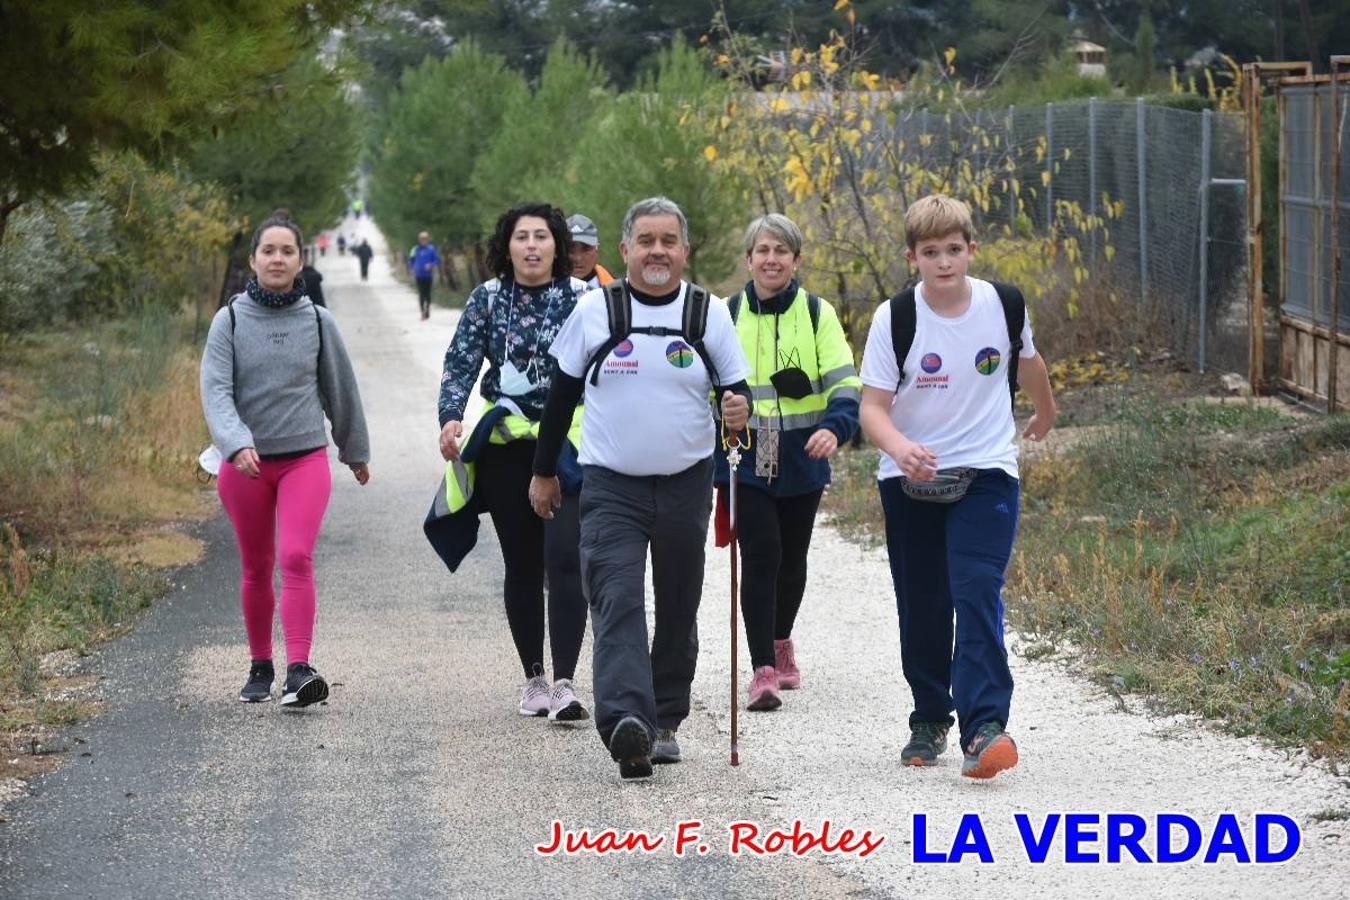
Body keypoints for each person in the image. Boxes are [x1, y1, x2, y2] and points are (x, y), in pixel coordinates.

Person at [530, 196, 752, 781]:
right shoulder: (596, 312)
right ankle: (629, 723)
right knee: (617, 599)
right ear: (625, 250)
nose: (658, 251)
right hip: (610, 487)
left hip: (686, 483)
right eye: (646, 240)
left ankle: (667, 717)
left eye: (669, 241)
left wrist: (738, 410)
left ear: (684, 250)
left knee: (678, 602)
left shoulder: (709, 314)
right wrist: (544, 470)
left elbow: (739, 395)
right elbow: (560, 398)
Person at [858, 194, 1056, 779]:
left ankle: (986, 727)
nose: (943, 262)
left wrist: (1044, 413)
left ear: (972, 250)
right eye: (929, 252)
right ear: (911, 257)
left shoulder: (1004, 305)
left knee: (975, 591)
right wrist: (901, 449)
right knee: (923, 601)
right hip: (909, 477)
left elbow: (1030, 364)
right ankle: (929, 716)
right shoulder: (895, 318)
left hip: (987, 469)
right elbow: (872, 408)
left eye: (953, 249)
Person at [200, 211, 371, 708]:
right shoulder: (229, 320)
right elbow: (215, 391)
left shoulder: (318, 320)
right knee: (256, 565)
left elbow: (341, 390)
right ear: (253, 260)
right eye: (268, 251)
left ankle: (299, 668)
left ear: (301, 260)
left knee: (295, 556)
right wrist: (235, 442)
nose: (277, 259)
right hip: (244, 466)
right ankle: (260, 665)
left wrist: (354, 451)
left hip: (304, 461)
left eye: (287, 251)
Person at [437, 203, 593, 724]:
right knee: (523, 564)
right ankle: (535, 679)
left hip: (569, 442)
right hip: (507, 445)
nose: (531, 246)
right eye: (522, 237)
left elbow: (613, 364)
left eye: (541, 237)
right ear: (507, 246)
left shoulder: (585, 298)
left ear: (558, 246)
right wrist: (451, 418)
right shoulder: (487, 300)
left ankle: (568, 682)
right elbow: (459, 363)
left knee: (566, 557)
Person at [713, 214, 860, 713]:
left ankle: (780, 640)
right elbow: (700, 385)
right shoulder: (725, 314)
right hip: (743, 455)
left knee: (793, 556)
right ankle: (762, 670)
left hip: (803, 455)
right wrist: (721, 407)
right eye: (763, 250)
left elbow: (845, 384)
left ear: (796, 261)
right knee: (762, 552)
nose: (771, 259)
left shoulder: (817, 314)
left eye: (781, 251)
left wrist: (834, 428)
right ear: (749, 259)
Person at [566, 214, 614, 289]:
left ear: (596, 248)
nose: (578, 258)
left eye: (586, 249)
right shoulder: (545, 288)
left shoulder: (616, 291)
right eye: (570, 250)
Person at [409, 231, 440, 320]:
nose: (423, 240)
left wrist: (431, 265)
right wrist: (412, 268)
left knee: (428, 294)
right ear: (419, 240)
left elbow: (437, 260)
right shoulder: (414, 249)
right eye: (422, 239)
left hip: (428, 276)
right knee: (421, 294)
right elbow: (411, 260)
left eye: (425, 238)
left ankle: (427, 309)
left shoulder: (431, 249)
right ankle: (422, 312)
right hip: (419, 275)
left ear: (428, 239)